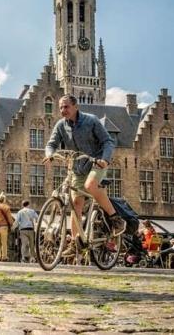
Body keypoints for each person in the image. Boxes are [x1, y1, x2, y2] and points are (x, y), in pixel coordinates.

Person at [44, 94, 126, 257]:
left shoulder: (91, 120)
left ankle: (116, 219)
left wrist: (104, 159)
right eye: (60, 107)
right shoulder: (61, 125)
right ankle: (76, 242)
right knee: (75, 203)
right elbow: (51, 144)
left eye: (66, 107)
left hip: (96, 164)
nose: (62, 110)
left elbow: (108, 141)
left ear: (75, 107)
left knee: (90, 185)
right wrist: (50, 153)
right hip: (77, 168)